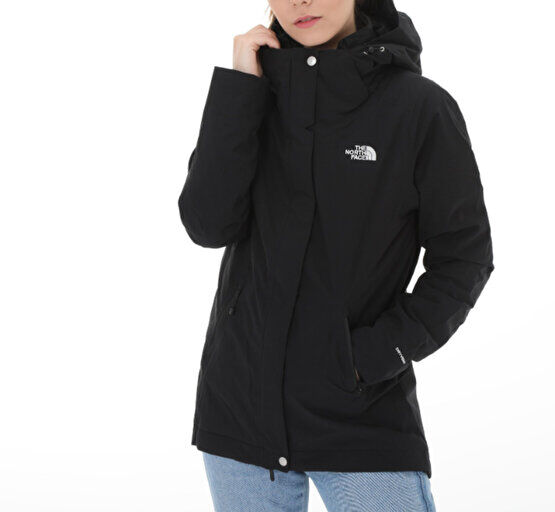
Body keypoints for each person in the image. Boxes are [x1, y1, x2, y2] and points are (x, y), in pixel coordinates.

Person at [178, 0, 494, 510]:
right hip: (239, 413)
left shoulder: (419, 108)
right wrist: (238, 91)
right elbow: (207, 225)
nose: (300, 1)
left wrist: (373, 356)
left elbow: (464, 257)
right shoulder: (252, 94)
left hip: (361, 416)